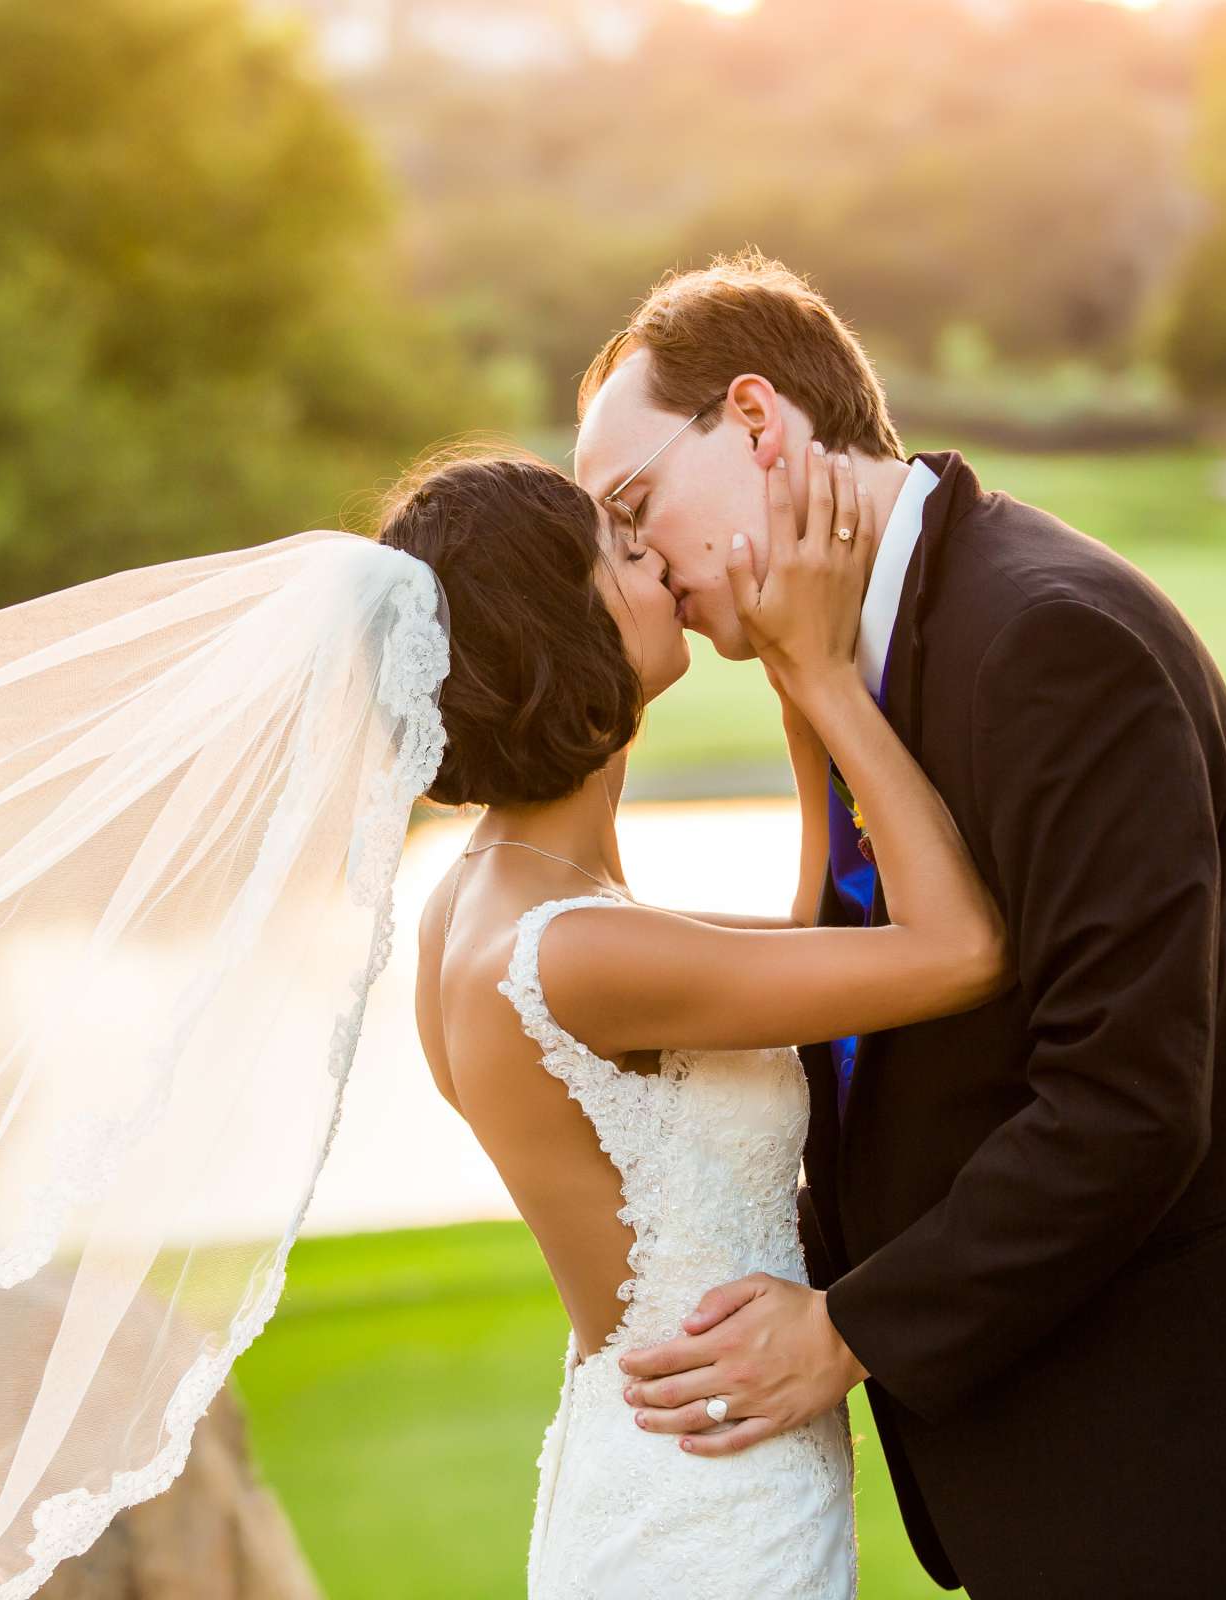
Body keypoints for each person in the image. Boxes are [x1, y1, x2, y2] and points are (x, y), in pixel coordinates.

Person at [573, 251, 1226, 1599]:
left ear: (755, 420)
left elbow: (1130, 1099)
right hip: (1084, 1462)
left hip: (1210, 1462)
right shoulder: (849, 654)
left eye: (634, 504)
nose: (646, 564)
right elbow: (880, 1025)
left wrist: (845, 1332)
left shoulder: (1048, 639)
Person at [380, 443, 1008, 1598]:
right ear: (560, 629)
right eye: (624, 551)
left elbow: (821, 945)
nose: (665, 565)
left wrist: (793, 697)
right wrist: (823, 677)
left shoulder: (498, 904)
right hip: (711, 1510)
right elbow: (957, 952)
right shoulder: (574, 952)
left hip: (667, 1468)